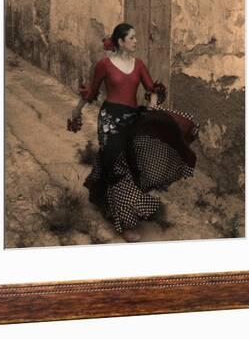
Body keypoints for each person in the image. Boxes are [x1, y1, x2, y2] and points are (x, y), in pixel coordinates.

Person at [68, 23, 199, 242]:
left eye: (136, 38)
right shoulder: (104, 65)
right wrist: (76, 110)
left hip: (132, 119)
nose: (137, 41)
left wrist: (154, 106)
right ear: (120, 42)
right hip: (110, 120)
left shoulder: (139, 65)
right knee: (117, 164)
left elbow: (152, 89)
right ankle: (126, 223)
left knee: (128, 164)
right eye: (132, 38)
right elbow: (92, 91)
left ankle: (104, 198)